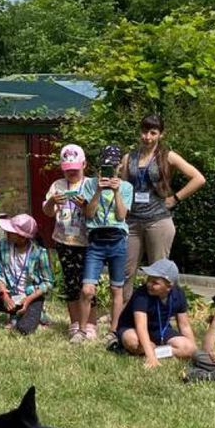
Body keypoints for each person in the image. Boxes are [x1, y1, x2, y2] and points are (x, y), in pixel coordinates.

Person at [121, 115, 206, 302]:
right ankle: (122, 315)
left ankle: (157, 313)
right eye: (145, 132)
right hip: (133, 221)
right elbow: (123, 187)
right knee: (125, 272)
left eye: (153, 133)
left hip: (158, 221)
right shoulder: (130, 157)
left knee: (158, 273)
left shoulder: (167, 156)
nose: (148, 137)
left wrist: (175, 198)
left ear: (161, 134)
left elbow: (198, 178)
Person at [81, 144, 133, 337]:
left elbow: (121, 216)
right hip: (96, 240)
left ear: (119, 167)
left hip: (117, 239)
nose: (108, 170)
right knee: (87, 289)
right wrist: (98, 192)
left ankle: (114, 331)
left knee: (116, 288)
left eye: (112, 166)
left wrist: (117, 192)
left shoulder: (127, 187)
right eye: (105, 167)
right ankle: (83, 329)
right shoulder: (90, 184)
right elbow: (89, 214)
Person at [44, 144, 93, 342]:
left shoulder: (91, 184)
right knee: (71, 283)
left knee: (88, 285)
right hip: (64, 240)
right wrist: (52, 202)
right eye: (68, 170)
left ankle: (90, 324)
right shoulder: (57, 185)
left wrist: (85, 205)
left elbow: (98, 212)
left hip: (88, 242)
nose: (71, 173)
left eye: (75, 169)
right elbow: (47, 212)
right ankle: (74, 323)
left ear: (84, 165)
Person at [0, 214, 54, 336]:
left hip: (31, 296)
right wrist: (5, 295)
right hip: (10, 292)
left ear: (22, 237)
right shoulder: (3, 246)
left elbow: (48, 282)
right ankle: (14, 312)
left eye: (11, 231)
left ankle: (35, 314)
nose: (7, 232)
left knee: (25, 329)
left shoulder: (40, 253)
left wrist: (28, 300)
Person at [117, 258, 197, 369]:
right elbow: (141, 327)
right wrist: (151, 358)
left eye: (155, 283)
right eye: (149, 279)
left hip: (160, 330)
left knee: (187, 347)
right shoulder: (141, 295)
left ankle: (151, 350)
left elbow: (184, 326)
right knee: (132, 341)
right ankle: (148, 351)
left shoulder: (179, 294)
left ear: (169, 286)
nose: (149, 284)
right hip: (133, 328)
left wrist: (194, 353)